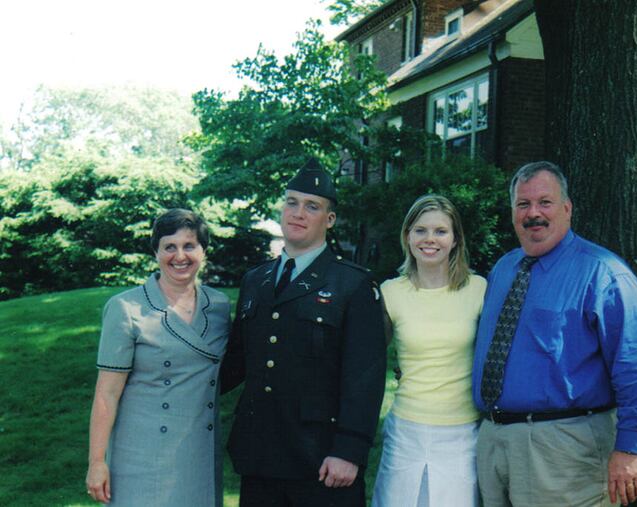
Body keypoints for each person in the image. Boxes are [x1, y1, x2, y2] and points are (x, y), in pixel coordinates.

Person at [472, 161, 637, 507]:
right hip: (494, 442)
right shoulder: (504, 269)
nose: (533, 213)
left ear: (567, 208)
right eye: (523, 204)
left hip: (564, 448)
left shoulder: (604, 274)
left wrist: (630, 447)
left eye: (544, 202)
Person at [221, 158, 387, 507]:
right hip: (260, 453)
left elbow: (365, 377)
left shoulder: (352, 284)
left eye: (312, 206)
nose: (298, 213)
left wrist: (349, 450)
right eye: (292, 203)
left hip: (321, 459)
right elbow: (235, 362)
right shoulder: (256, 280)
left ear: (329, 220)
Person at [85, 208, 230, 506]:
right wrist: (97, 461)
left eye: (189, 246)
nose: (180, 256)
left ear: (203, 251)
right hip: (140, 456)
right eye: (169, 247)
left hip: (198, 452)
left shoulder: (219, 306)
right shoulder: (125, 308)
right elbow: (107, 394)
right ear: (156, 252)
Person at [371, 195, 487, 507]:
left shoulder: (478, 289)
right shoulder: (390, 292)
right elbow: (367, 362)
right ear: (407, 236)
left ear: (455, 239)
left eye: (440, 231)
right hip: (406, 430)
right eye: (420, 230)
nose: (430, 239)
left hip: (463, 434)